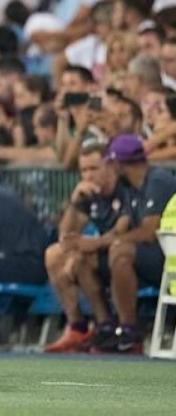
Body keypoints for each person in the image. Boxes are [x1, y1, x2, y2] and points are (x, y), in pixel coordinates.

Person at [43, 143, 126, 353]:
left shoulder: (124, 189)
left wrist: (84, 247)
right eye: (83, 170)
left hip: (125, 251)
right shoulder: (88, 193)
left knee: (80, 259)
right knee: (53, 254)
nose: (88, 175)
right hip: (100, 250)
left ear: (109, 166)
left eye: (93, 169)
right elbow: (65, 237)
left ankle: (104, 325)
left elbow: (123, 233)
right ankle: (77, 327)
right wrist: (73, 202)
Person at [96, 134, 174, 353]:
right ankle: (107, 327)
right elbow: (123, 225)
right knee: (89, 258)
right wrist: (96, 244)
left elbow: (150, 232)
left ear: (121, 163)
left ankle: (130, 330)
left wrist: (113, 241)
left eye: (112, 162)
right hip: (154, 255)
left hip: (169, 256)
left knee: (121, 253)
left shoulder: (158, 180)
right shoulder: (129, 186)